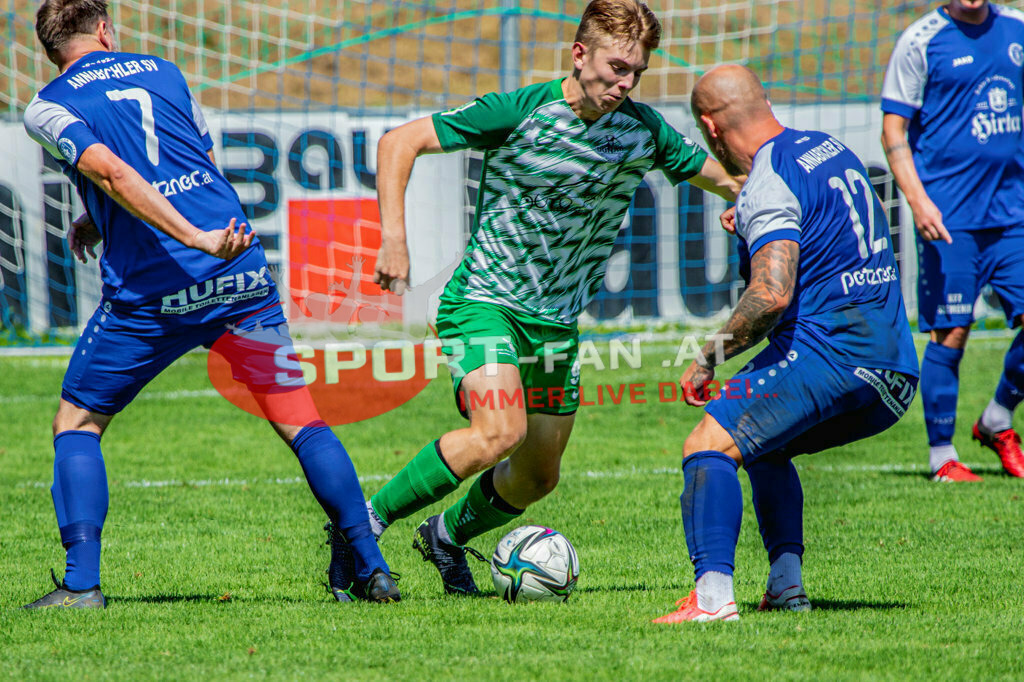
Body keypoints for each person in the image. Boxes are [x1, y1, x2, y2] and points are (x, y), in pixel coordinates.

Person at [22, 0, 397, 608]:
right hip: (238, 269)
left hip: (155, 292)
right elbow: (198, 164)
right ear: (105, 30)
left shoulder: (48, 105)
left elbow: (114, 173)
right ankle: (374, 568)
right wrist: (119, 219)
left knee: (78, 423)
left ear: (48, 50)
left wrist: (188, 238)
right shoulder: (165, 71)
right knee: (302, 421)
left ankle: (82, 585)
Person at [365, 0, 742, 595]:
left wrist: (756, 201)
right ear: (579, 54)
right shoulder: (520, 110)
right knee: (499, 431)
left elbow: (724, 179)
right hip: (483, 303)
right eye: (617, 67)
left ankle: (445, 535)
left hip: (557, 324)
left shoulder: (642, 131)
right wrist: (394, 239)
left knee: (538, 476)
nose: (626, 83)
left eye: (637, 73)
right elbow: (398, 142)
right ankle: (359, 530)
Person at [653, 65, 919, 623]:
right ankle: (785, 587)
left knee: (708, 444)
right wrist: (752, 221)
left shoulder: (768, 179)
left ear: (710, 127)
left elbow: (771, 295)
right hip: (894, 367)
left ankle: (711, 600)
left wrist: (708, 358)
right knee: (763, 446)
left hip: (833, 354)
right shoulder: (829, 149)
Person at [881, 0, 1024, 482]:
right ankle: (942, 457)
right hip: (949, 217)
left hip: (1014, 212)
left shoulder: (1017, 27)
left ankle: (997, 418)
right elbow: (893, 128)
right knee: (952, 331)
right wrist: (918, 201)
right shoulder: (920, 41)